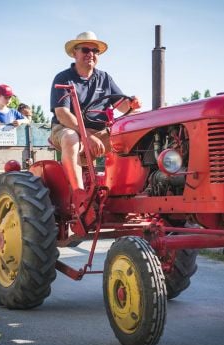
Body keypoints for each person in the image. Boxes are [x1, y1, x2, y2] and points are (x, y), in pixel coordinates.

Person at [50, 31, 141, 211]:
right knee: (70, 137)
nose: (90, 54)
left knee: (134, 131)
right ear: (75, 53)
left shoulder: (105, 78)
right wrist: (87, 136)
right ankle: (79, 196)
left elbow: (123, 107)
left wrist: (133, 104)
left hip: (100, 134)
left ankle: (130, 191)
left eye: (95, 51)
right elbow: (62, 114)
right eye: (85, 49)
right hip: (69, 130)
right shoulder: (63, 78)